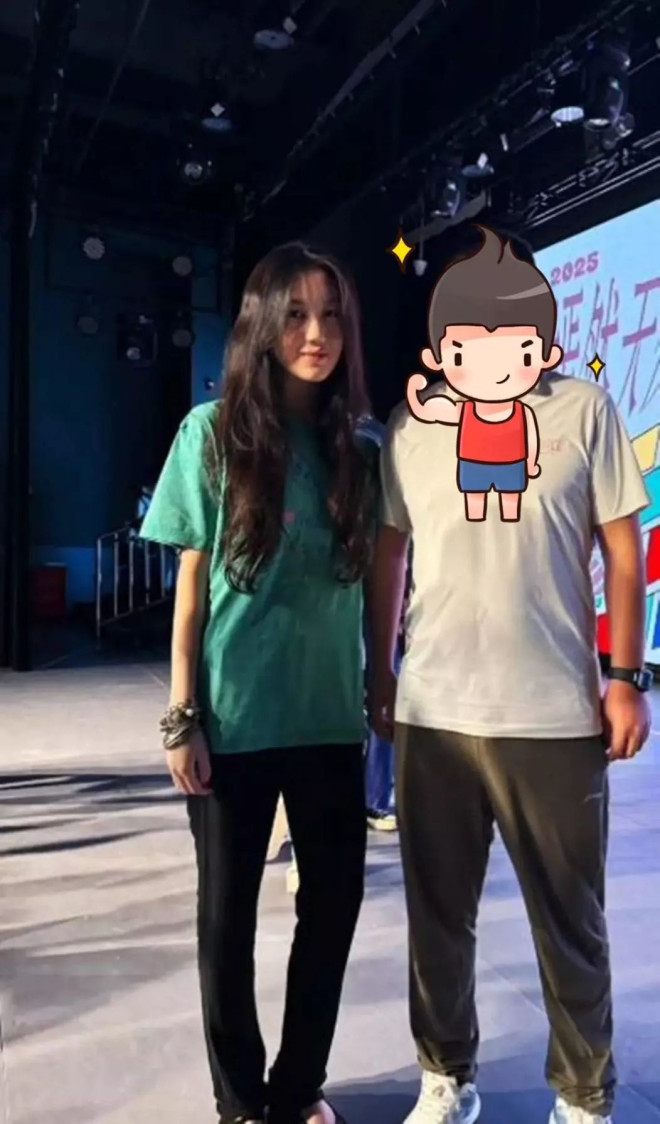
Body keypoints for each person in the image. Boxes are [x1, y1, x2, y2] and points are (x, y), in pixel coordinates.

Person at [367, 222, 651, 1124]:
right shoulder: (411, 425)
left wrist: (625, 675)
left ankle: (585, 1095)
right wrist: (380, 669)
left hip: (555, 714)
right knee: (436, 921)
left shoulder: (582, 410)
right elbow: (388, 552)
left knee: (571, 921)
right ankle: (446, 1076)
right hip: (434, 712)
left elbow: (624, 547)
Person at [140, 242, 380, 1124]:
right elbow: (192, 589)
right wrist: (183, 716)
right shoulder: (211, 434)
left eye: (332, 316)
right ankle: (240, 1102)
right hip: (234, 722)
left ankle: (297, 1088)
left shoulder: (358, 448)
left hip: (330, 721)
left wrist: (382, 684)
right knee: (227, 920)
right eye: (297, 315)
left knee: (333, 910)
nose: (317, 334)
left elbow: (377, 583)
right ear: (263, 324)